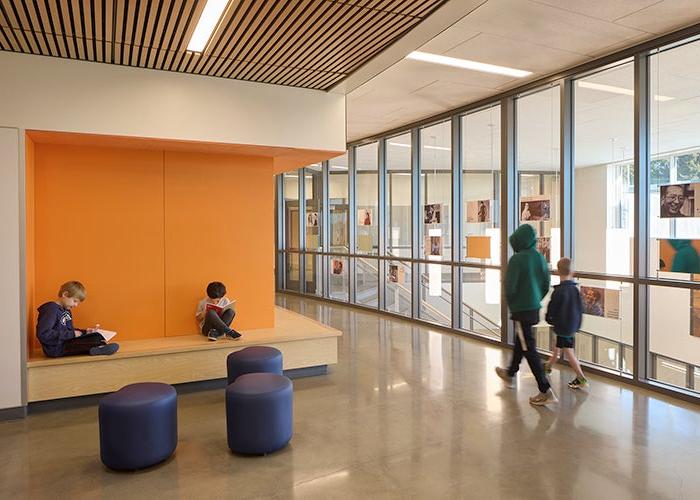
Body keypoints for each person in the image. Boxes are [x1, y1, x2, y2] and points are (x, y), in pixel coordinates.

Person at [495, 224, 556, 405]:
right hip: (533, 308)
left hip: (521, 310)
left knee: (528, 348)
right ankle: (510, 373)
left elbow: (510, 287)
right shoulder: (539, 258)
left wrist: (514, 304)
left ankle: (545, 390)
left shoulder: (517, 260)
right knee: (522, 341)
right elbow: (546, 284)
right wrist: (536, 298)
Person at [36, 281, 119, 357]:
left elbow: (69, 330)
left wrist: (85, 332)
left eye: (78, 303)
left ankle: (98, 346)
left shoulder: (66, 311)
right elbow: (44, 334)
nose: (76, 305)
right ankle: (97, 347)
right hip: (56, 348)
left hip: (66, 342)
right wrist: (73, 334)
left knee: (96, 336)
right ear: (65, 294)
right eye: (75, 301)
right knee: (89, 341)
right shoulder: (50, 309)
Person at [543, 258, 589, 389]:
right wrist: (578, 324)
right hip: (571, 326)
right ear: (572, 272)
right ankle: (547, 367)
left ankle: (581, 378)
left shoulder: (558, 292)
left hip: (562, 327)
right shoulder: (575, 290)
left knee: (568, 353)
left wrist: (549, 319)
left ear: (558, 272)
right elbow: (580, 309)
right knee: (557, 348)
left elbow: (551, 309)